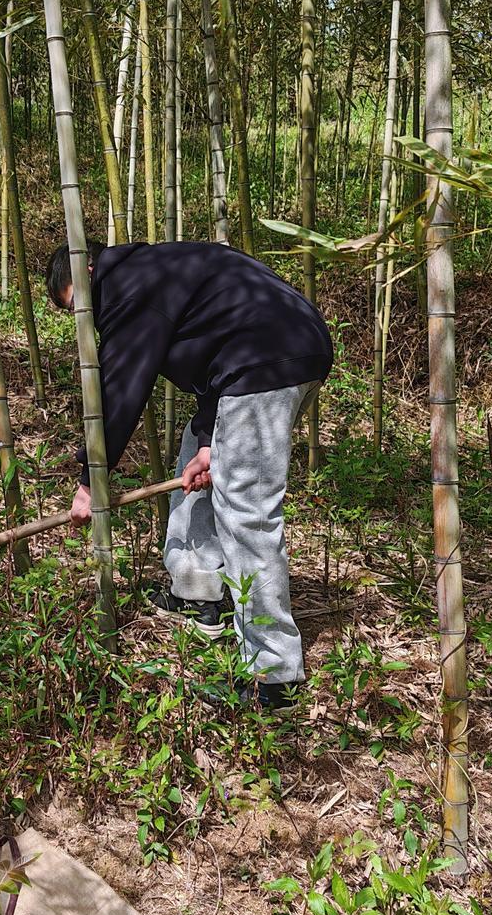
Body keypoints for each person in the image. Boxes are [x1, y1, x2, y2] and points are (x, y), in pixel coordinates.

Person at [46, 238, 333, 706]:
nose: (86, 317)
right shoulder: (157, 268)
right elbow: (219, 348)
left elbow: (120, 388)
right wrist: (206, 443)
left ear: (90, 270)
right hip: (272, 354)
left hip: (265, 363)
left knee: (246, 511)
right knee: (192, 458)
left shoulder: (126, 285)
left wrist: (90, 479)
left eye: (80, 304)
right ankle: (197, 589)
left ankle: (273, 675)